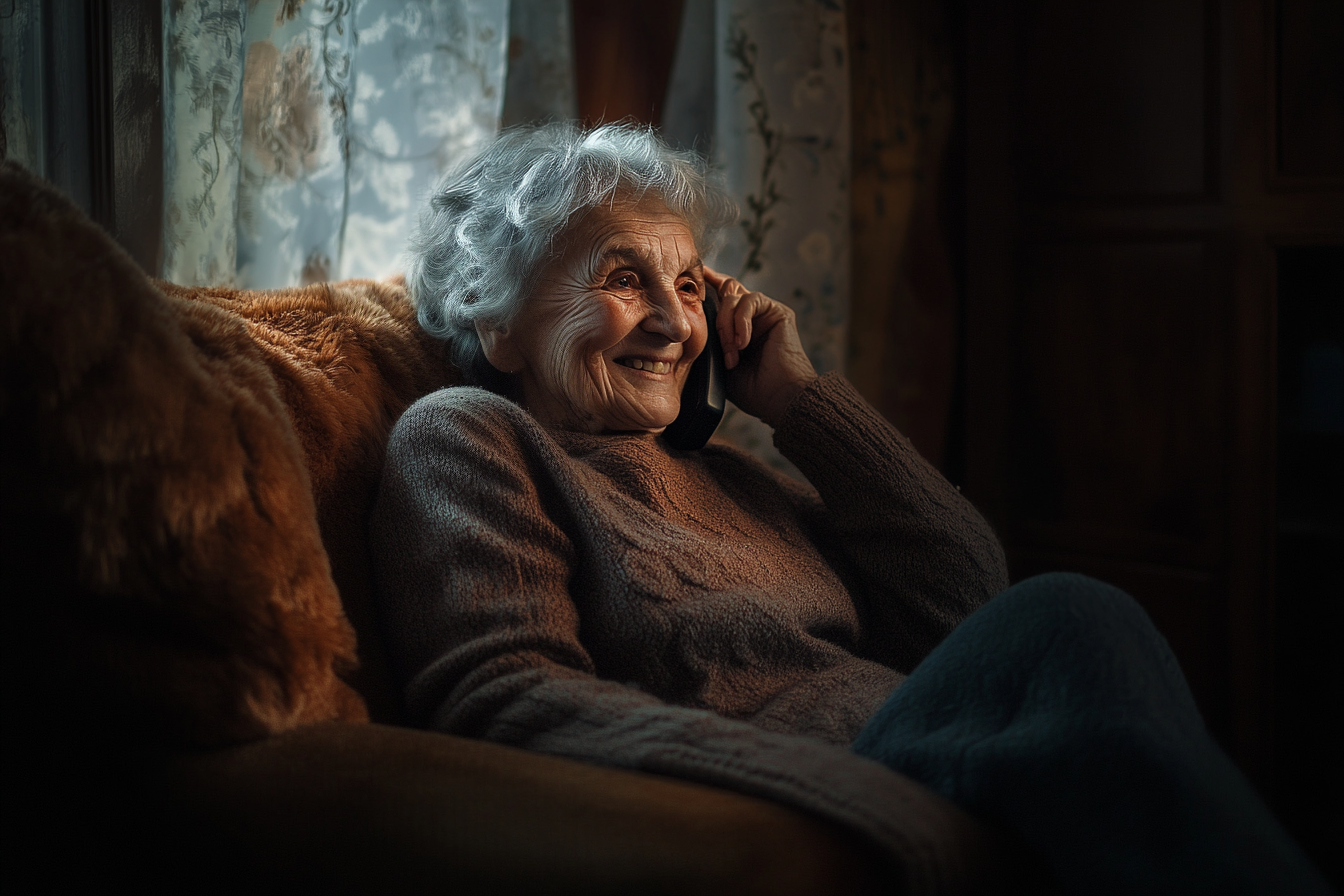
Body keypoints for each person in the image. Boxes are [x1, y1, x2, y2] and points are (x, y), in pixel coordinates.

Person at [370, 122, 1328, 894]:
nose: (673, 320)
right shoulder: (469, 437)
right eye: (624, 279)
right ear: (496, 321)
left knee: (1073, 620)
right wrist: (833, 787)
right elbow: (502, 698)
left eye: (691, 283)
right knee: (1074, 616)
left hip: (920, 748)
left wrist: (798, 405)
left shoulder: (728, 470)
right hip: (815, 778)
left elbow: (958, 608)